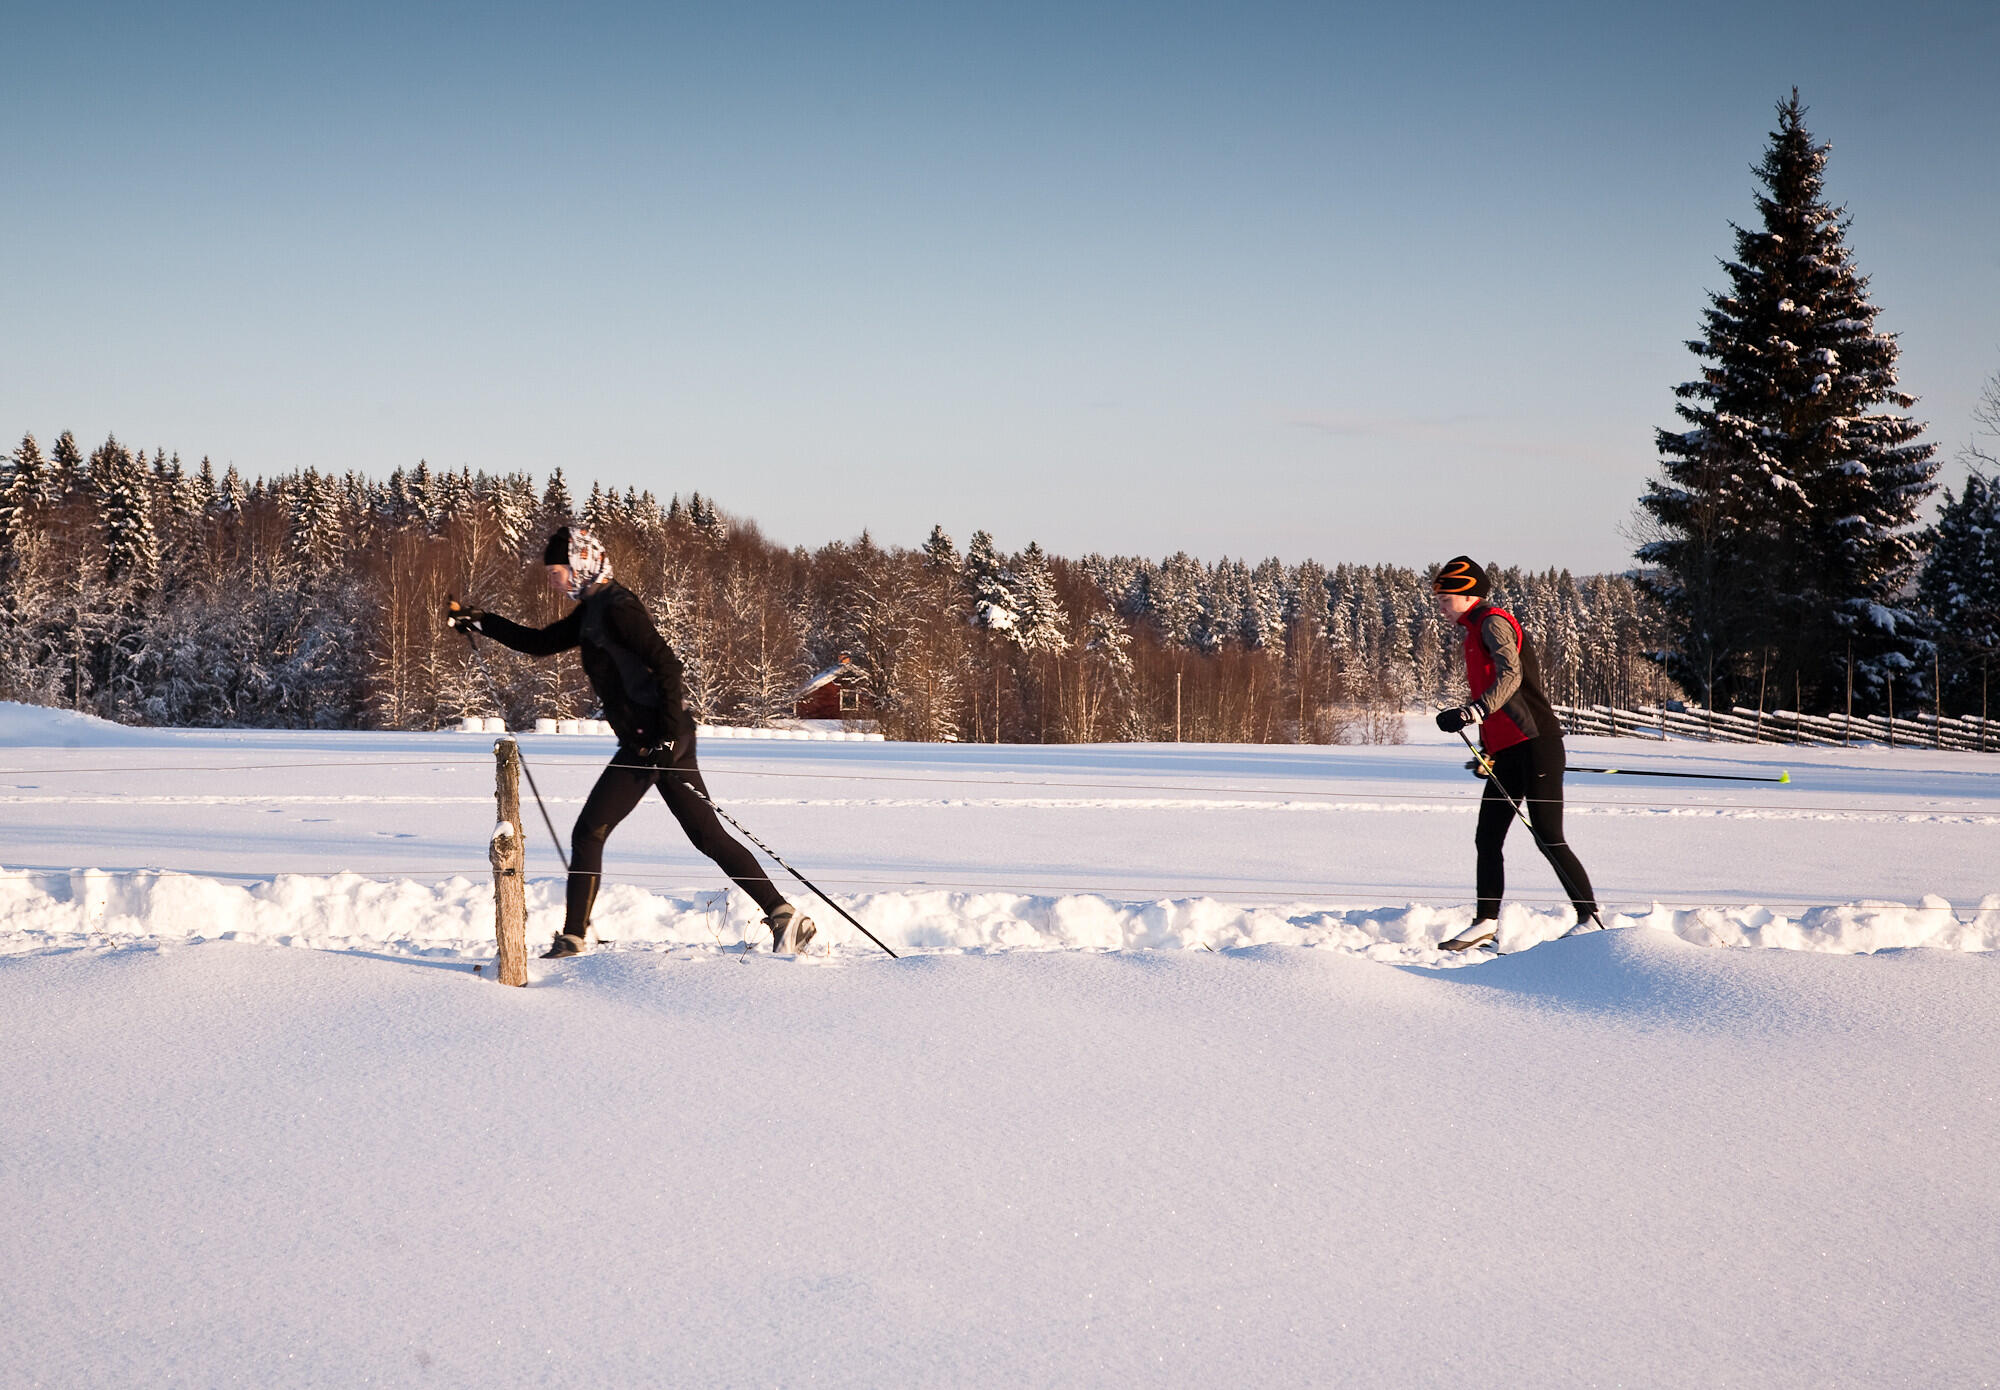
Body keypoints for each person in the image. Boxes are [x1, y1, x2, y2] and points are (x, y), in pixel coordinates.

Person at [448, 524, 816, 958]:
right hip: (655, 740)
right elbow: (540, 643)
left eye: (556, 571)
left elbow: (668, 666)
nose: (552, 581)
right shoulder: (593, 609)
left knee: (592, 831)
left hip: (656, 741)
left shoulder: (618, 608)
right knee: (705, 835)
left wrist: (665, 737)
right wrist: (481, 621)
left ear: (580, 563)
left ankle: (573, 937)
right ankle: (784, 916)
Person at [1430, 556, 1597, 952]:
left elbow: (1511, 676)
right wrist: (1487, 749)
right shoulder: (1473, 633)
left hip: (1536, 744)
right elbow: (1496, 696)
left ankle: (1589, 918)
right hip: (1507, 751)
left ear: (1468, 594)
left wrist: (1473, 712)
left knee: (1549, 836)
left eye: (1445, 597)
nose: (1440, 606)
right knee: (1487, 838)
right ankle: (1485, 923)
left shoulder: (1492, 622)